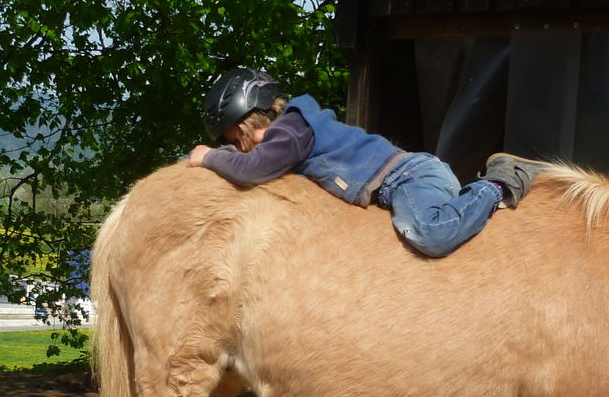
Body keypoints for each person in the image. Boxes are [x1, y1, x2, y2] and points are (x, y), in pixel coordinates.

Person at [187, 67, 543, 258]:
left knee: (430, 234)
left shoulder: (293, 130)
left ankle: (499, 182)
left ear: (255, 122)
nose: (237, 149)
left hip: (409, 177)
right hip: (400, 182)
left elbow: (253, 169)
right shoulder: (291, 135)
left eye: (236, 139)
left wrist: (208, 157)